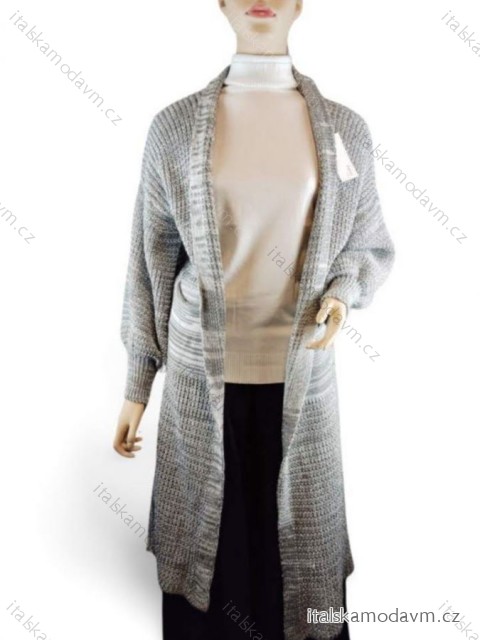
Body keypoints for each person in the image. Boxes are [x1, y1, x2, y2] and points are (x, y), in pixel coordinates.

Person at [113, 2, 395, 639]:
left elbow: (367, 243)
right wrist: (137, 382)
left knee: (301, 559)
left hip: (303, 383)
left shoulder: (344, 130)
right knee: (207, 565)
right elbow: (150, 256)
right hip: (200, 387)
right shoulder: (174, 129)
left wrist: (343, 293)